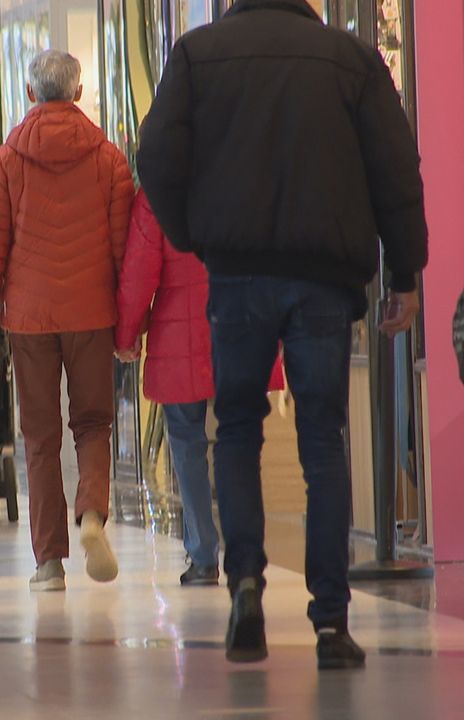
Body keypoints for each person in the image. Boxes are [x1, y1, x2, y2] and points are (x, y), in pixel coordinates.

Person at [136, 0, 428, 669]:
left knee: (236, 428)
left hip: (236, 274)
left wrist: (191, 234)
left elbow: (156, 154)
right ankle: (330, 620)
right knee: (322, 438)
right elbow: (394, 169)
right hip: (324, 278)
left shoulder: (198, 55)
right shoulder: (351, 59)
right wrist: (404, 270)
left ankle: (244, 582)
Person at [0, 49, 134, 591]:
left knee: (39, 437)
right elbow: (121, 250)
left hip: (30, 318)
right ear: (80, 92)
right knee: (92, 423)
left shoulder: (6, 159)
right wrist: (127, 322)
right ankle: (90, 514)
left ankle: (48, 564)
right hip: (91, 312)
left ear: (30, 93)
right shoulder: (109, 159)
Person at [114, 192, 283, 586]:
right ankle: (244, 553)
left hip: (179, 334)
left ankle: (204, 554)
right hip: (239, 322)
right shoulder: (240, 177)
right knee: (238, 441)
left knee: (187, 442)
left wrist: (126, 334)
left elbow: (140, 272)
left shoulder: (159, 193)